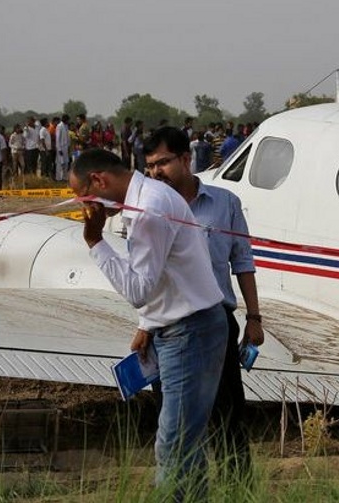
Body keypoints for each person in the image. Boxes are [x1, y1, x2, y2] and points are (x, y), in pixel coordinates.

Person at [69, 149, 226, 500]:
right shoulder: (148, 198)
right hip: (184, 328)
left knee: (172, 443)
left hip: (191, 332)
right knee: (184, 440)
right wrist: (148, 324)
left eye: (84, 198)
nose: (84, 208)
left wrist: (95, 241)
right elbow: (165, 274)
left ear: (99, 181)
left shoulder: (148, 210)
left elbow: (139, 289)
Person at [142, 126, 263, 478]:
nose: (156, 173)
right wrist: (144, 326)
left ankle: (235, 488)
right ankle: (189, 489)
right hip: (168, 327)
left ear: (185, 159)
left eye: (163, 162)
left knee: (227, 415)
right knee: (175, 419)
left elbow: (243, 261)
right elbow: (144, 275)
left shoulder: (224, 203)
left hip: (216, 324)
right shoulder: (148, 209)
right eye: (150, 166)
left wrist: (254, 318)